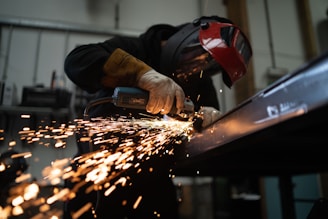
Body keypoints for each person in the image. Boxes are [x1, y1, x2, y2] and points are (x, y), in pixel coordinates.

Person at [63, 15, 252, 219]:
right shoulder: (136, 49)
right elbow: (77, 60)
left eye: (210, 66)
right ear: (187, 37)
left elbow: (205, 133)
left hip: (153, 183)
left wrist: (208, 124)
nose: (199, 68)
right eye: (200, 57)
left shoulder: (200, 81)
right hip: (96, 176)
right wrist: (142, 75)